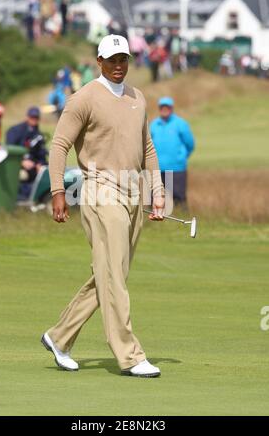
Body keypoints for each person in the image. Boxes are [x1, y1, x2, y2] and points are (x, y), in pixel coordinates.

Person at [42, 34, 166, 378]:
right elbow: (59, 146)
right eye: (111, 60)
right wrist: (58, 192)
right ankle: (130, 355)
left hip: (132, 193)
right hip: (99, 191)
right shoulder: (83, 99)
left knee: (111, 273)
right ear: (99, 61)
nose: (118, 66)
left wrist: (157, 190)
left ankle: (59, 336)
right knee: (113, 274)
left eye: (123, 59)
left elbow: (148, 148)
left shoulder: (137, 97)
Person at [150, 97, 195, 208]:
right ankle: (157, 220)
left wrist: (182, 156)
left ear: (171, 108)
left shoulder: (180, 124)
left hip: (177, 168)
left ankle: (181, 219)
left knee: (178, 197)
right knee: (156, 197)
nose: (165, 109)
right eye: (162, 107)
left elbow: (190, 144)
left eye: (167, 107)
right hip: (158, 168)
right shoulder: (154, 124)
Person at [6, 107, 47, 200]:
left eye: (36, 117)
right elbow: (10, 150)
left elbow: (41, 152)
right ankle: (21, 200)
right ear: (27, 117)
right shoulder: (16, 131)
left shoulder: (38, 134)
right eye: (32, 117)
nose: (34, 119)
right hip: (16, 165)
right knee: (23, 176)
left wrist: (40, 164)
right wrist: (21, 162)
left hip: (33, 166)